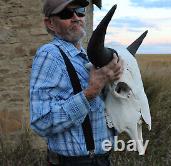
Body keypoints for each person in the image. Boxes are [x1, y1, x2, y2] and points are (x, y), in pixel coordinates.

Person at [29, 0, 123, 165]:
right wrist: (91, 92)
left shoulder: (86, 57)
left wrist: (114, 80)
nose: (76, 17)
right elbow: (41, 122)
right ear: (50, 23)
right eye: (66, 13)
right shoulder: (50, 54)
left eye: (80, 11)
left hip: (101, 160)